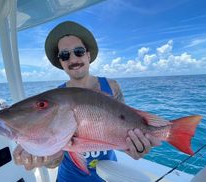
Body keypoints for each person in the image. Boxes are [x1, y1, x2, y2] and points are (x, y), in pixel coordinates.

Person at [13, 21, 161, 181]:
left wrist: (136, 148)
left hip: (107, 175)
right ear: (61, 62)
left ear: (88, 55)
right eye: (65, 55)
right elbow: (55, 159)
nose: (73, 59)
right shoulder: (57, 98)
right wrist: (45, 157)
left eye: (79, 51)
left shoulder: (112, 86)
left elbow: (124, 126)